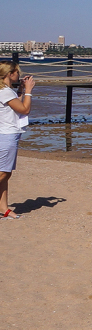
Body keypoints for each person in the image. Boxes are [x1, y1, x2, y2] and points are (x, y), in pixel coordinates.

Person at [0, 62, 34, 220]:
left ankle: (4, 208)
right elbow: (24, 109)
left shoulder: (7, 91)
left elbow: (16, 105)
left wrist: (20, 90)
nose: (19, 75)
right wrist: (28, 91)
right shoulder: (5, 92)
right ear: (9, 74)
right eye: (17, 72)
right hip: (6, 135)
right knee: (3, 173)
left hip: (7, 134)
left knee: (6, 174)